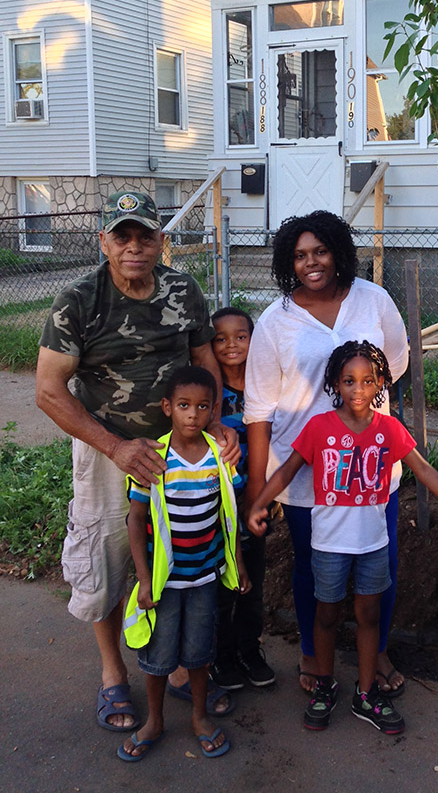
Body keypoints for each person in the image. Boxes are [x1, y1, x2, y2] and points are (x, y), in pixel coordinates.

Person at [35, 190, 239, 733]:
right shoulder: (78, 300)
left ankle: (171, 670)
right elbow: (49, 391)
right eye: (121, 236)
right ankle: (112, 676)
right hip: (109, 450)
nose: (134, 246)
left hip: (180, 450)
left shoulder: (182, 289)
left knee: (176, 559)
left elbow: (203, 361)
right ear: (104, 241)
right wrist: (115, 447)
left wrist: (214, 424)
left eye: (144, 235)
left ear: (160, 241)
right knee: (107, 561)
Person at [248, 341, 438, 734]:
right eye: (349, 381)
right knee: (326, 615)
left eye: (368, 381)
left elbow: (423, 470)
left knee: (369, 615)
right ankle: (324, 685)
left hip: (374, 544)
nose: (358, 389)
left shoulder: (388, 428)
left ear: (380, 385)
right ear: (335, 384)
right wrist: (259, 504)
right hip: (328, 545)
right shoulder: (319, 427)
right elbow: (288, 470)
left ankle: (367, 691)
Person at [243, 210, 409, 696]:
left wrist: (362, 419)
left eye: (319, 251)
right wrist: (258, 489)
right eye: (298, 255)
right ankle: (315, 658)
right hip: (304, 477)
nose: (310, 263)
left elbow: (394, 363)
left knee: (381, 563)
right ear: (286, 262)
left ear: (337, 251)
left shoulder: (373, 300)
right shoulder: (277, 321)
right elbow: (258, 408)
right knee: (312, 569)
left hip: (372, 470)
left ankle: (376, 652)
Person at [119, 366, 249, 761]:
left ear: (214, 411)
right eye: (183, 406)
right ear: (167, 408)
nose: (193, 414)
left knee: (198, 653)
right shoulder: (154, 458)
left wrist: (238, 565)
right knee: (158, 658)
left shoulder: (219, 457)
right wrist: (144, 579)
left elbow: (229, 516)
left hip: (205, 577)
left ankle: (198, 717)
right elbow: (136, 521)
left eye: (202, 407)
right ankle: (154, 721)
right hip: (165, 583)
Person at [209, 307, 276, 690]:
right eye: (220, 338)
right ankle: (222, 657)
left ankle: (250, 650)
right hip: (217, 506)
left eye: (241, 336)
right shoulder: (208, 394)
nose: (231, 344)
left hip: (257, 501)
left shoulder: (264, 387)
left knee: (253, 577)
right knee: (221, 582)